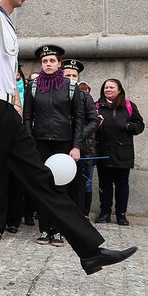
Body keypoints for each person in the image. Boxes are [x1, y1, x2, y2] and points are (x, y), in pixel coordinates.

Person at [0, 0, 136, 277]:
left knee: (41, 181)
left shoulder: (5, 21)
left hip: (6, 113)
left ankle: (89, 250)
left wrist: (16, 108)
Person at [22, 45, 84, 247]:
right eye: (44, 61)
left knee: (60, 188)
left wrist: (76, 146)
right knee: (43, 186)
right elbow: (28, 116)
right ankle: (44, 229)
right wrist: (30, 142)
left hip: (63, 142)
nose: (48, 64)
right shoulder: (33, 86)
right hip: (40, 142)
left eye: (52, 61)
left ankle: (58, 230)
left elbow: (79, 119)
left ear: (59, 64)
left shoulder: (70, 86)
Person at [94, 78, 144, 226]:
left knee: (122, 184)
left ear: (119, 90)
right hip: (103, 150)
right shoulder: (97, 106)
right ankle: (105, 213)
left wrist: (126, 125)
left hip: (123, 152)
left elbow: (140, 125)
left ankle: (121, 214)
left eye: (111, 87)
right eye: (105, 87)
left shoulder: (128, 106)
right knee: (105, 184)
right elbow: (90, 125)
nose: (108, 90)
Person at [62, 59, 99, 215]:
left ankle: (76, 215)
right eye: (67, 75)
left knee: (77, 183)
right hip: (58, 141)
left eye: (74, 75)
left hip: (77, 145)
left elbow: (94, 121)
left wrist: (78, 136)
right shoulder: (55, 92)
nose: (71, 78)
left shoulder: (85, 96)